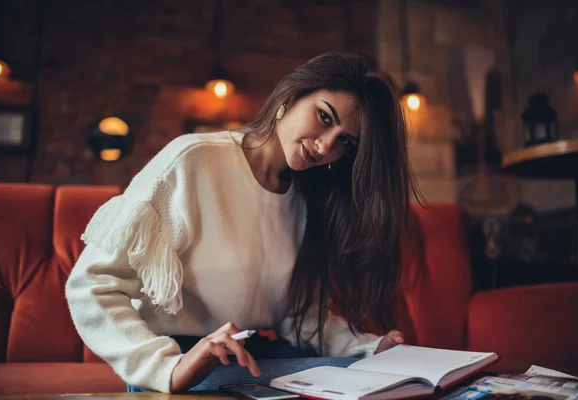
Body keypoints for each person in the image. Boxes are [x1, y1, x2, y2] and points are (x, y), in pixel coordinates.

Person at [65, 52, 421, 394]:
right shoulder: (192, 160)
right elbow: (92, 285)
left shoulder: (306, 198)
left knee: (380, 379)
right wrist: (167, 367)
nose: (326, 146)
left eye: (345, 141)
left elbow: (301, 314)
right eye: (325, 117)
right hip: (179, 364)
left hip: (254, 358)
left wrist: (369, 348)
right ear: (290, 97)